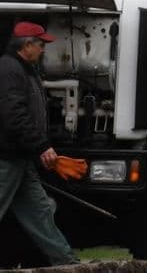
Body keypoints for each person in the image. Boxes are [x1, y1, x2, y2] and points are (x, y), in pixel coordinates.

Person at [0, 22, 78, 266]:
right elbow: (14, 115)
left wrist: (38, 147)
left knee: (41, 213)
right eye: (41, 44)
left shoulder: (25, 70)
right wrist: (42, 146)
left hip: (22, 159)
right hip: (6, 159)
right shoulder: (9, 69)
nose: (44, 49)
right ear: (27, 45)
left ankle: (67, 264)